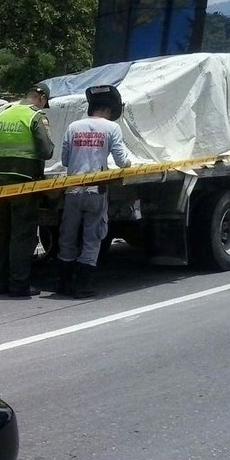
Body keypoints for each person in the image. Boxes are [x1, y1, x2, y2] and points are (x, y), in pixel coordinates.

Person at [56, 85, 131, 299]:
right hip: (96, 193)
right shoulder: (111, 128)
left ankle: (63, 284)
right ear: (109, 109)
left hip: (72, 191)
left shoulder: (73, 126)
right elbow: (120, 160)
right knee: (92, 237)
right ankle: (82, 286)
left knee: (67, 237)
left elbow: (64, 160)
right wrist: (128, 163)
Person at [0, 83, 55, 297]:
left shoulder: (3, 114)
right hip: (24, 182)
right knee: (22, 235)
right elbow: (47, 151)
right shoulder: (35, 116)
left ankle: (3, 282)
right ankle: (19, 285)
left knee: (3, 233)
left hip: (0, 183)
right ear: (40, 98)